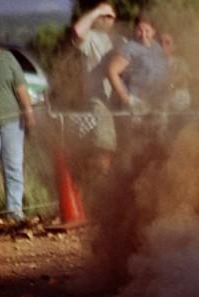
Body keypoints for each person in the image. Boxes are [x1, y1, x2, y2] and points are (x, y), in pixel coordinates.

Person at [72, 2, 119, 173]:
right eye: (103, 16)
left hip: (119, 99)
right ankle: (101, 185)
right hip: (99, 100)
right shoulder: (91, 36)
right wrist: (97, 11)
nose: (105, 20)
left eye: (110, 16)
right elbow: (77, 31)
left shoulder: (119, 39)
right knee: (104, 147)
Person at [0, 47, 35, 223]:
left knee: (12, 166)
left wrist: (28, 111)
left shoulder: (8, 58)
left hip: (11, 122)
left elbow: (20, 87)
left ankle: (14, 211)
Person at [107, 12, 169, 113]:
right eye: (139, 30)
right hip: (135, 104)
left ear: (154, 31)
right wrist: (127, 99)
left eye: (147, 31)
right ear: (135, 30)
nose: (143, 35)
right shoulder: (129, 48)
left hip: (155, 102)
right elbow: (112, 71)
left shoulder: (157, 48)